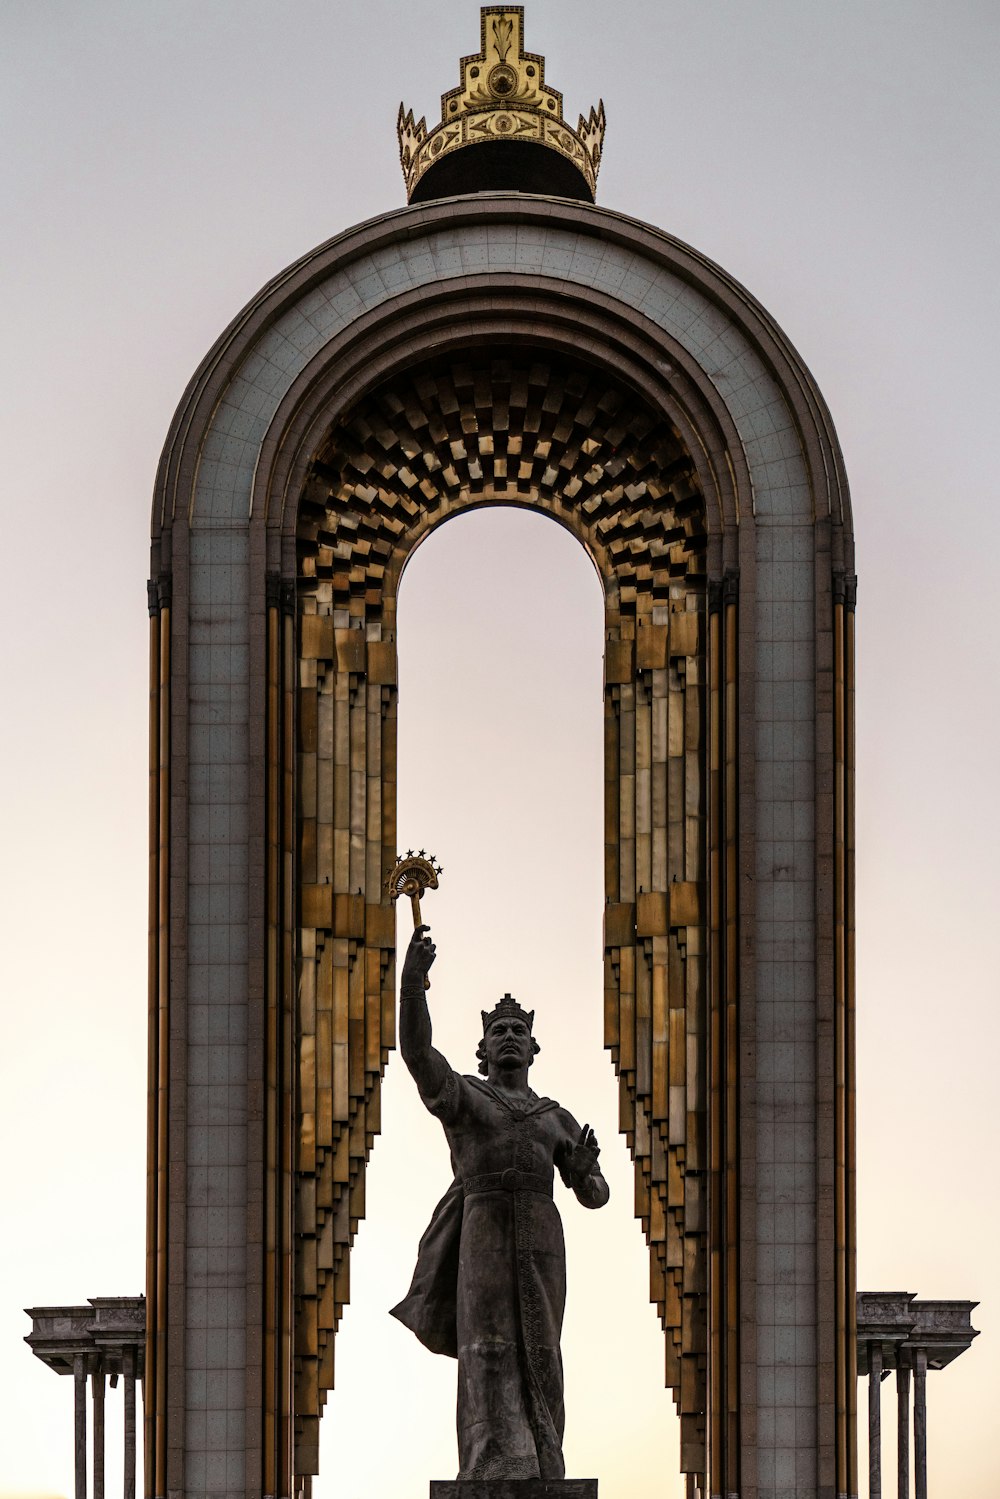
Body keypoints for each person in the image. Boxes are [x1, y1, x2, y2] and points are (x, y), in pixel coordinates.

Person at [390, 924, 610, 1481]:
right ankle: (490, 1466)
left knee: (543, 1351)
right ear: (483, 1049)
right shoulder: (466, 1095)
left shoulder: (554, 1117)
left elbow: (597, 1195)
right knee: (486, 1349)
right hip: (482, 1229)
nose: (508, 1037)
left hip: (542, 1234)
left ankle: (543, 1464)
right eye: (498, 1032)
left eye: (518, 1030)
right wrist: (413, 984)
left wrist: (585, 1173)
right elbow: (417, 1054)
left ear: (533, 1047)